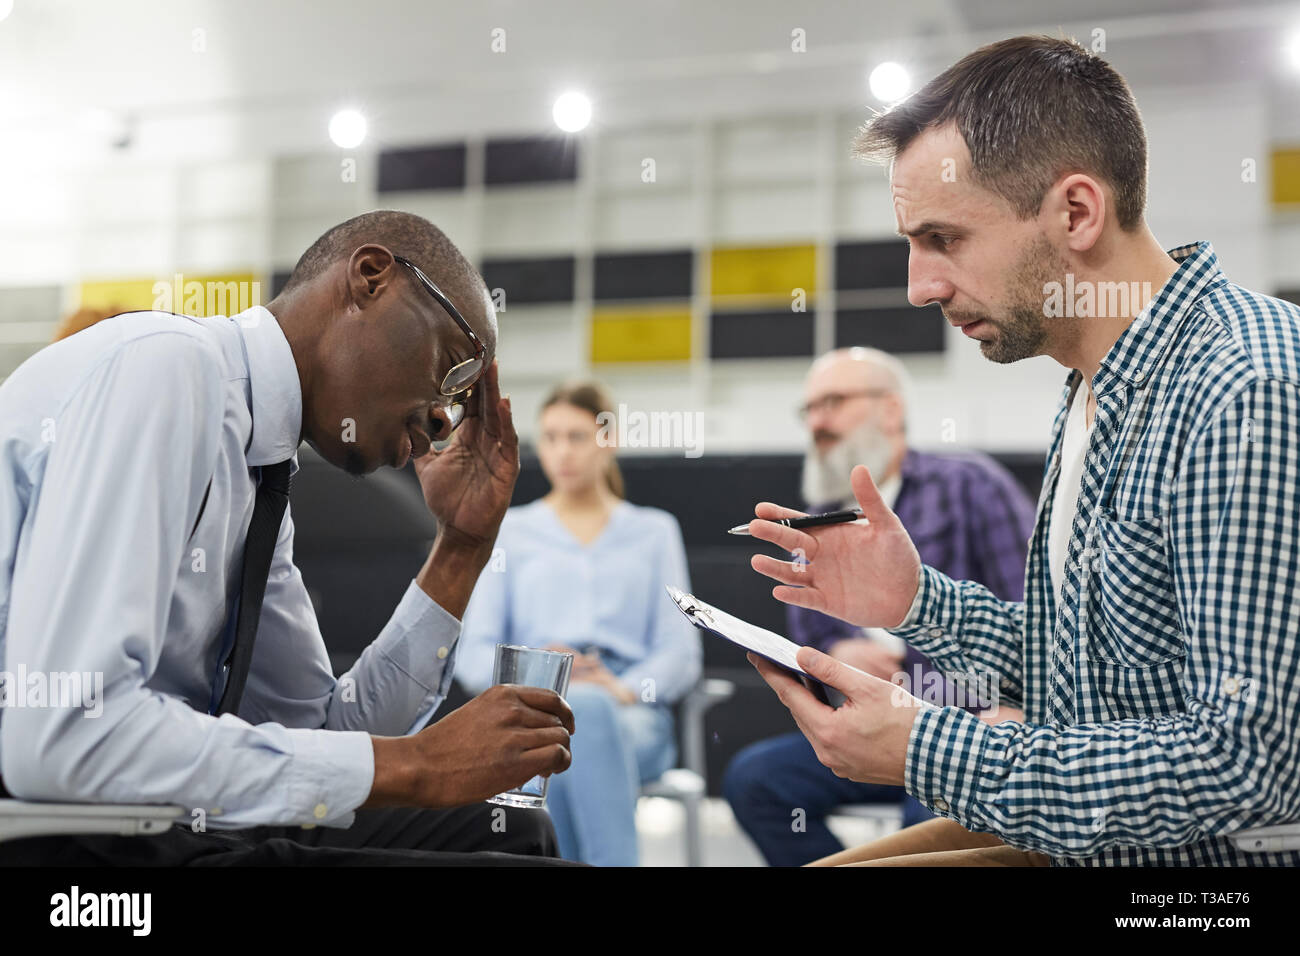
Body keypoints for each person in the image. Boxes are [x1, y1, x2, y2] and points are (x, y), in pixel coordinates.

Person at [745, 35, 1300, 866]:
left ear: (1077, 213)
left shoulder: (1242, 388)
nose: (919, 285)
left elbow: (1253, 763)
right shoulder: (1093, 385)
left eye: (945, 239)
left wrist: (927, 749)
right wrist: (915, 602)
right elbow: (1078, 677)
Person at [0, 209, 578, 866]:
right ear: (370, 277)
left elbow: (320, 736)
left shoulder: (259, 465)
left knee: (514, 834)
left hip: (148, 815)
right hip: (55, 832)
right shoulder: (169, 368)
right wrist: (417, 764)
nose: (446, 417)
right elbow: (64, 737)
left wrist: (461, 550)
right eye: (451, 367)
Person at [724, 346, 1034, 865]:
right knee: (755, 780)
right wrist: (839, 646)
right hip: (866, 722)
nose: (818, 422)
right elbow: (809, 626)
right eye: (810, 410)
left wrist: (1013, 708)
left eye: (834, 402)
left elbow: (1030, 604)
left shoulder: (970, 485)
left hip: (966, 722)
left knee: (934, 814)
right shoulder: (818, 517)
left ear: (890, 409)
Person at [456, 381, 701, 866]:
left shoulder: (654, 531)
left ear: (607, 441)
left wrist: (623, 688)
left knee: (581, 721)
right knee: (562, 731)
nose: (562, 452)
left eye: (576, 437)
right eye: (550, 438)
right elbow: (472, 653)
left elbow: (680, 651)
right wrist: (539, 678)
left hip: (631, 714)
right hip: (536, 710)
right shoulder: (514, 531)